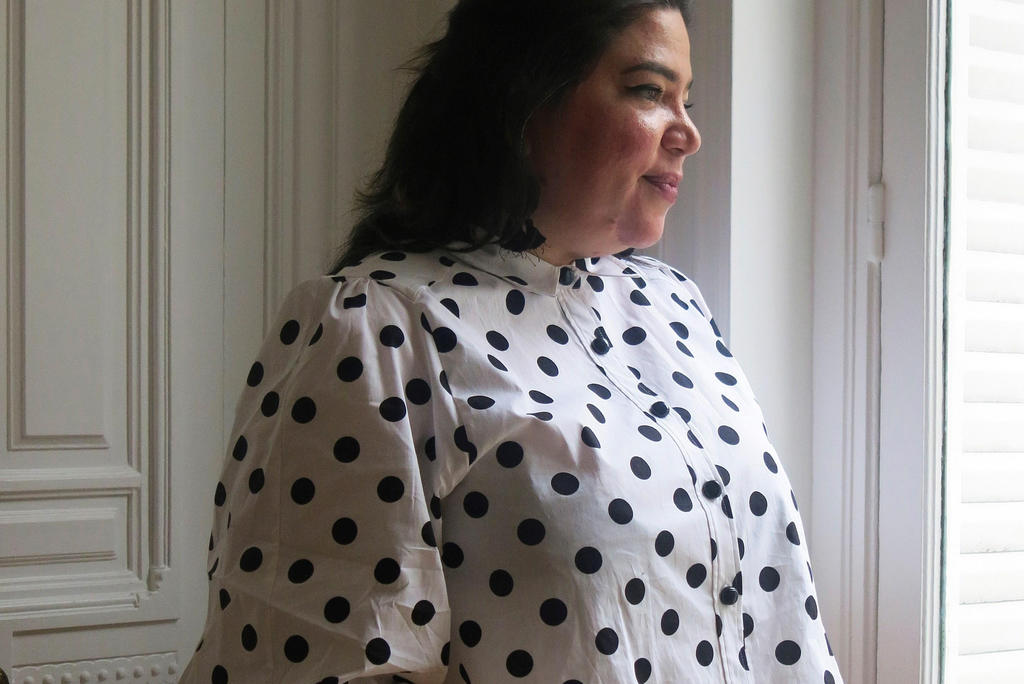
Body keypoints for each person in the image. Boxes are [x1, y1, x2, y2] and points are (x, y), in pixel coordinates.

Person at [181, 1, 845, 682]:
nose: (689, 134)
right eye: (650, 92)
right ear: (524, 98)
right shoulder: (376, 328)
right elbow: (315, 659)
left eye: (687, 100)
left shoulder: (675, 306)